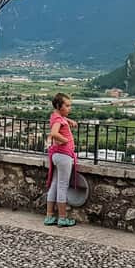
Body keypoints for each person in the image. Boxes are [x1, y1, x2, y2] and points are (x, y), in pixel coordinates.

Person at [44, 92, 78, 227]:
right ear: (59, 106)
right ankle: (62, 218)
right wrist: (65, 140)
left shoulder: (55, 116)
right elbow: (53, 133)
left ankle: (49, 216)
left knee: (54, 184)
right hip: (64, 155)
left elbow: (58, 119)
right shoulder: (58, 120)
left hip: (56, 155)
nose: (70, 108)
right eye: (67, 106)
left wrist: (69, 120)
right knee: (62, 186)